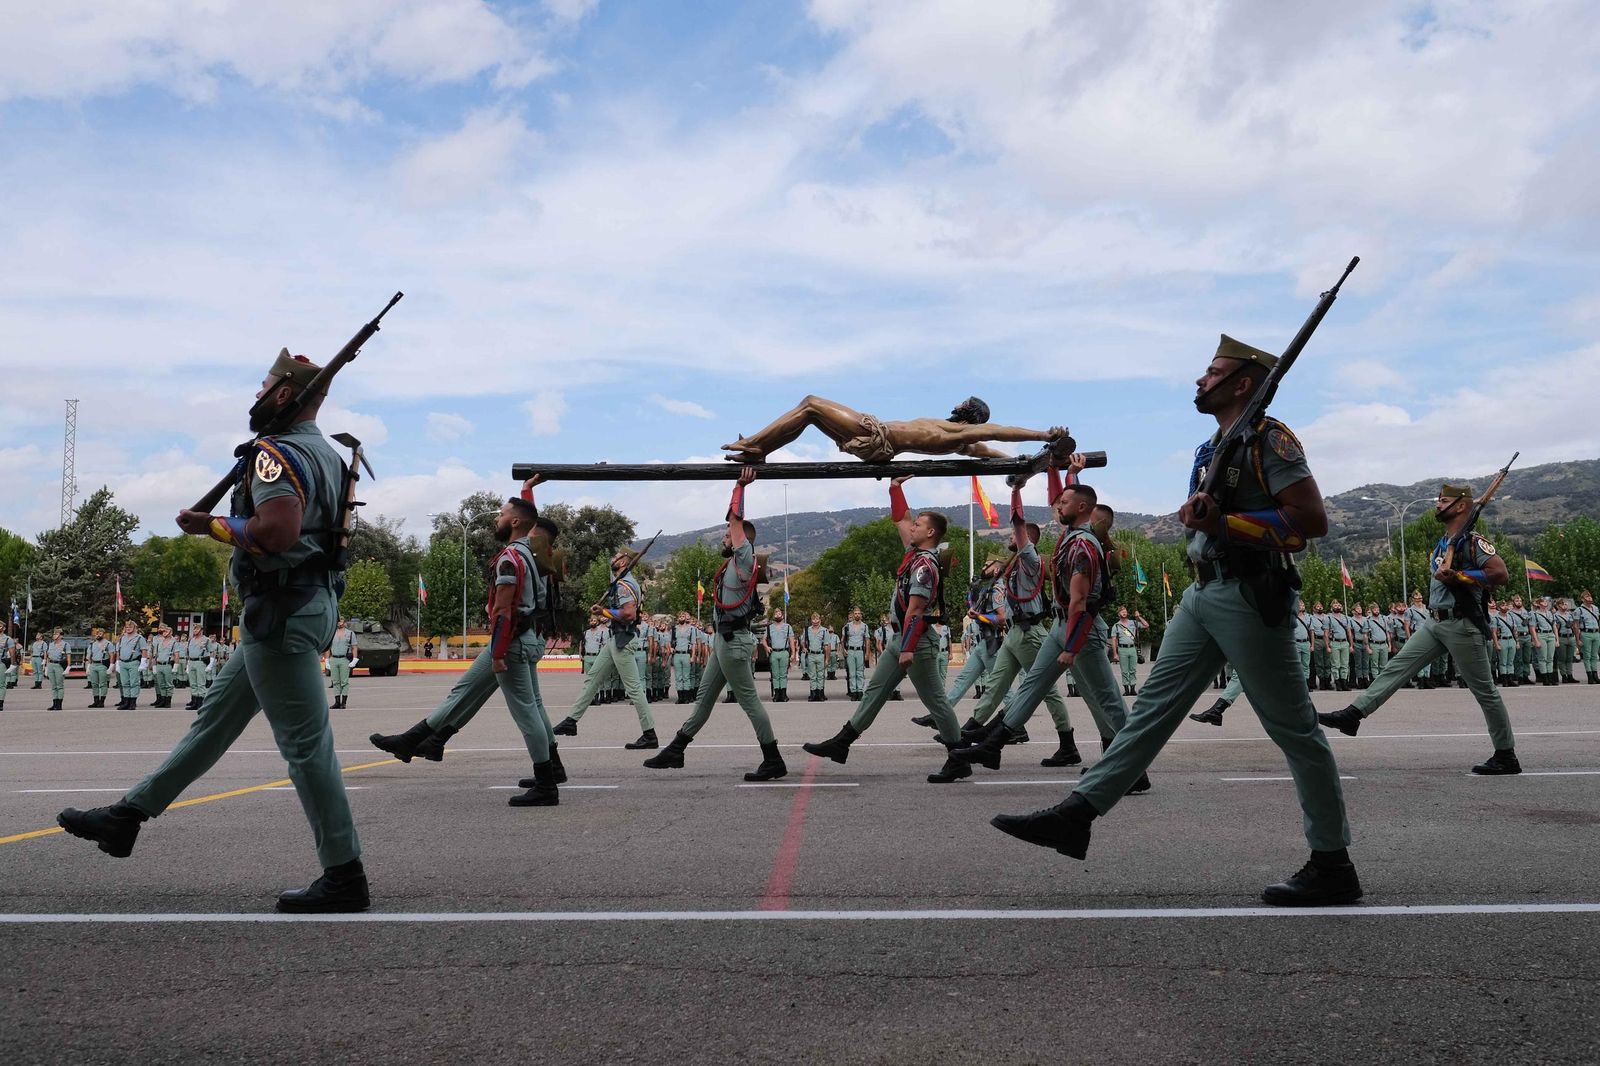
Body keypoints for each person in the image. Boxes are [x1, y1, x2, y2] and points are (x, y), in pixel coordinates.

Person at [990, 334, 1358, 906]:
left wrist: (1226, 525)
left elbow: (1311, 522)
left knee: (1294, 730)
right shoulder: (1214, 447)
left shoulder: (1269, 438)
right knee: (1151, 710)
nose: (1200, 380)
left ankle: (1332, 862)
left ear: (1243, 384)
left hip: (1249, 593)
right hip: (1202, 591)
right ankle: (1077, 814)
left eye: (1213, 372)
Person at [59, 347, 368, 911]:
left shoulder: (275, 453)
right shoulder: (326, 452)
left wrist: (212, 525)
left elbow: (277, 532)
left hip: (281, 612)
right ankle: (128, 816)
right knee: (212, 724)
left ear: (283, 394)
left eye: (264, 387)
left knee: (307, 749)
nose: (256, 395)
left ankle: (345, 874)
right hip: (301, 605)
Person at [371, 479, 565, 805]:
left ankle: (546, 784)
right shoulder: (534, 553)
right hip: (525, 637)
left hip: (511, 641)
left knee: (525, 712)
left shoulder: (512, 558)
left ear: (515, 522)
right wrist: (527, 490)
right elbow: (530, 519)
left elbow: (503, 611)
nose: (497, 518)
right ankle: (422, 740)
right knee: (470, 692)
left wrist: (499, 652)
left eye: (501, 514)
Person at [952, 469, 1142, 783]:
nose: (1057, 505)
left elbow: (1080, 601)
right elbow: (1062, 497)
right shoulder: (1071, 536)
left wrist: (1071, 646)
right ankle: (992, 746)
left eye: (1064, 503)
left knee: (1108, 699)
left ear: (1081, 508)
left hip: (1081, 630)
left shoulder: (1083, 546)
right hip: (1061, 626)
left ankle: (1134, 768)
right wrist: (1063, 474)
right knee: (1033, 685)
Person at [1318, 483, 1521, 775]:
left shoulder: (1472, 542)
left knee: (1485, 692)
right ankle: (1353, 714)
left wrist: (1460, 576)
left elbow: (1500, 573)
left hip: (1462, 624)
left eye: (1444, 500)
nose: (1438, 504)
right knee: (1396, 667)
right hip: (1434, 621)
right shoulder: (1445, 543)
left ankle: (1506, 755)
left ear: (1461, 506)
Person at [803, 477, 967, 782]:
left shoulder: (925, 565)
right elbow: (901, 520)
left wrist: (907, 648)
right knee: (874, 692)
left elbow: (916, 610)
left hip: (916, 642)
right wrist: (895, 489)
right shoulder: (915, 554)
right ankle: (842, 743)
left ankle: (959, 758)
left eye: (919, 525)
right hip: (901, 638)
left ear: (931, 533)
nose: (912, 527)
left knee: (936, 702)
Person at [646, 468, 786, 781]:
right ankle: (677, 749)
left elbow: (735, 519)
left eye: (727, 534)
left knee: (750, 702)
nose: (724, 536)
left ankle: (773, 758)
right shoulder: (732, 563)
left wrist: (740, 486)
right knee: (704, 699)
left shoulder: (745, 556)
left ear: (739, 540)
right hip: (724, 641)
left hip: (734, 643)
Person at [957, 475, 1076, 749]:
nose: (1010, 537)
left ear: (1027, 540)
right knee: (996, 684)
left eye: (1014, 536)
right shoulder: (1014, 566)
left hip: (1030, 633)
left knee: (1047, 691)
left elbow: (1019, 524)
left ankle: (1067, 742)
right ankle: (971, 729)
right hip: (1014, 633)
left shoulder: (1031, 559)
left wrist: (1015, 492)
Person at [722, 395, 1064, 463]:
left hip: (877, 437)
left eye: (963, 403)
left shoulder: (965, 435)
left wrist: (1043, 436)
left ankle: (755, 443)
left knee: (811, 403)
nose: (957, 404)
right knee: (810, 414)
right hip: (875, 439)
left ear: (971, 414)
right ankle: (760, 450)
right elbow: (993, 454)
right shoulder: (959, 439)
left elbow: (999, 432)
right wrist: (1017, 465)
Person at [552, 547, 659, 749]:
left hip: (623, 640)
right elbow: (614, 580)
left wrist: (604, 611)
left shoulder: (625, 585)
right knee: (592, 679)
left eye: (617, 556)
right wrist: (605, 611)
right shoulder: (620, 581)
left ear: (624, 562)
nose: (613, 558)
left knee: (634, 689)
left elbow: (628, 614)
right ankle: (571, 721)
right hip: (615, 639)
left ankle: (650, 734)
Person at [1111, 607, 1147, 697]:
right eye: (1122, 612)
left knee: (1133, 670)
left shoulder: (1133, 622)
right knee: (1124, 670)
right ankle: (1126, 689)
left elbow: (1146, 625)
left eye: (1125, 611)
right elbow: (1114, 640)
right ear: (1118, 614)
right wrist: (1115, 653)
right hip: (1122, 649)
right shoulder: (1116, 626)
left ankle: (1133, 689)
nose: (1124, 613)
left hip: (1132, 648)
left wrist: (1139, 617)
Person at [1529, 595, 1560, 686]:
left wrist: (1557, 639)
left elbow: (1554, 626)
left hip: (1550, 635)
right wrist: (1536, 640)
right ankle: (1545, 678)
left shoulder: (1550, 613)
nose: (1545, 602)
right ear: (1539, 604)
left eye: (1546, 601)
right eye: (1543, 601)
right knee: (1543, 658)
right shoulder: (1534, 614)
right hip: (1541, 635)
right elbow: (1532, 628)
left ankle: (1550, 677)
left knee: (1550, 658)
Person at [841, 608, 869, 700]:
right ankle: (853, 692)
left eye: (858, 613)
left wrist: (867, 653)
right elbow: (843, 639)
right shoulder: (847, 626)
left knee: (860, 672)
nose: (857, 615)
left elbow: (867, 640)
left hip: (860, 650)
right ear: (853, 615)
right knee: (852, 673)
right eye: (855, 613)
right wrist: (843, 649)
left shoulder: (864, 626)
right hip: (851, 651)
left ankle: (860, 691)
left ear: (861, 615)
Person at [83, 627, 114, 708]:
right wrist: (88, 667)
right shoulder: (92, 644)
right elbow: (89, 656)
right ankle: (95, 701)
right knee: (94, 684)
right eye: (97, 633)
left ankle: (102, 701)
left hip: (102, 665)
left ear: (104, 634)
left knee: (103, 684)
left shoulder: (108, 644)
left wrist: (111, 666)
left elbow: (111, 655)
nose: (98, 635)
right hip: (93, 665)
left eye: (100, 633)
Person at [147, 624, 177, 708]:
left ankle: (165, 700)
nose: (161, 629)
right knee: (158, 682)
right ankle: (159, 698)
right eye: (159, 628)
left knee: (167, 683)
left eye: (163, 628)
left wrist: (175, 666)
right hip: (157, 661)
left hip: (166, 663)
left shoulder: (172, 640)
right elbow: (152, 651)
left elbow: (175, 654)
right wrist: (151, 663)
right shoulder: (155, 638)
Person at [327, 617, 354, 708]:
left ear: (344, 622)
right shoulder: (331, 634)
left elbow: (354, 646)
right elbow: (328, 648)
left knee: (344, 682)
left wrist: (355, 659)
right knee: (335, 681)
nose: (339, 623)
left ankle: (344, 703)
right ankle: (337, 702)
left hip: (344, 659)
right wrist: (327, 660)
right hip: (334, 659)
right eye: (338, 621)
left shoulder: (350, 633)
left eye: (341, 621)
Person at [802, 613, 829, 701]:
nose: (815, 621)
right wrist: (804, 647)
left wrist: (827, 659)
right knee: (812, 675)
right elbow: (803, 641)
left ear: (820, 620)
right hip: (811, 655)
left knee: (820, 675)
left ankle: (820, 694)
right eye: (813, 619)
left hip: (820, 654)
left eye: (817, 619)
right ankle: (813, 693)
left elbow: (827, 646)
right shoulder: (807, 630)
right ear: (811, 621)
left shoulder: (824, 631)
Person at [183, 627, 210, 710]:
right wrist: (187, 664)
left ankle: (201, 703)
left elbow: (212, 652)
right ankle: (194, 702)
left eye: (197, 629)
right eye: (194, 629)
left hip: (200, 661)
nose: (195, 631)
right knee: (193, 683)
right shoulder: (191, 640)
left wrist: (210, 664)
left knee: (201, 683)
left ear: (201, 630)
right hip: (191, 661)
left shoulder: (206, 640)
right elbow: (188, 652)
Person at [1578, 590, 1600, 683]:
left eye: (1590, 596)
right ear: (1582, 599)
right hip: (1585, 633)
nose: (1589, 598)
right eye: (1586, 596)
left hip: (1595, 632)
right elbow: (1575, 625)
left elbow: (1598, 620)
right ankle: (1590, 675)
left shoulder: (1595, 608)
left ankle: (1595, 675)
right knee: (1587, 656)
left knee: (1594, 655)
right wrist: (1578, 639)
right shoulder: (1579, 610)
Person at [45, 628, 67, 710]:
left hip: (59, 665)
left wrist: (68, 667)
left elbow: (68, 656)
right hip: (51, 664)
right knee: (53, 686)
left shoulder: (65, 644)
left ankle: (59, 705)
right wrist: (46, 667)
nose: (54, 635)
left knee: (59, 686)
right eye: (54, 634)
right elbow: (48, 656)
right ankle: (54, 704)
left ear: (61, 635)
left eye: (56, 634)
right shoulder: (51, 644)